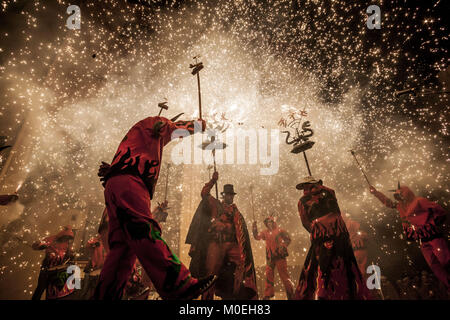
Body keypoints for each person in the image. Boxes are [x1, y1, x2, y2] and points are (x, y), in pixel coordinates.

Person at [93, 115, 216, 300]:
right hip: (131, 184)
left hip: (116, 185)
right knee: (145, 231)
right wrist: (196, 126)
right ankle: (179, 286)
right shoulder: (153, 122)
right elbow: (170, 128)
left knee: (122, 252)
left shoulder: (135, 138)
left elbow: (124, 161)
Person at [295, 176, 370, 300]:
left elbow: (306, 222)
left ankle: (337, 294)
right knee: (329, 265)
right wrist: (318, 230)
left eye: (306, 185)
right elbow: (306, 222)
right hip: (329, 235)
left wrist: (317, 230)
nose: (305, 188)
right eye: (305, 186)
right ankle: (329, 293)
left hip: (335, 234)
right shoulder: (307, 199)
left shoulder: (325, 194)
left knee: (338, 265)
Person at [186, 171, 258, 300]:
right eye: (228, 194)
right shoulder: (215, 204)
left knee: (242, 263)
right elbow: (204, 194)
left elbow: (240, 231)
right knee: (211, 273)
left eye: (231, 195)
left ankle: (235, 295)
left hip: (232, 245)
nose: (230, 197)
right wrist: (213, 181)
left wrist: (227, 227)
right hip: (216, 244)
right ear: (223, 195)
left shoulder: (236, 211)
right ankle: (207, 300)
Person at [370, 183, 449, 289]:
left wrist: (434, 222)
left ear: (406, 193)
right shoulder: (400, 206)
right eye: (397, 195)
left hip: (434, 236)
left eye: (400, 194)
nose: (399, 197)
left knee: (445, 261)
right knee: (434, 266)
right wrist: (376, 193)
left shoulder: (419, 201)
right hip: (422, 240)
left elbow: (438, 209)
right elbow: (387, 202)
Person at [252, 216, 295, 299]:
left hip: (279, 256)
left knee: (284, 276)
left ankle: (290, 294)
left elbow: (288, 239)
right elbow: (257, 237)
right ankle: (268, 295)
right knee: (268, 276)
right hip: (270, 258)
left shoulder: (280, 231)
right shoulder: (265, 232)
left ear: (273, 222)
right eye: (268, 222)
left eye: (270, 222)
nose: (269, 224)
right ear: (266, 224)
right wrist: (254, 228)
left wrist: (283, 246)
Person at [31, 225, 75, 300]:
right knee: (40, 288)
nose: (67, 239)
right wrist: (40, 246)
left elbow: (68, 253)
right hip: (47, 267)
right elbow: (35, 246)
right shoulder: (51, 239)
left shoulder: (67, 243)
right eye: (66, 237)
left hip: (58, 269)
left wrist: (71, 255)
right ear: (62, 235)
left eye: (68, 238)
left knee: (54, 290)